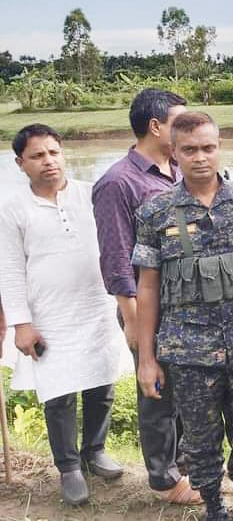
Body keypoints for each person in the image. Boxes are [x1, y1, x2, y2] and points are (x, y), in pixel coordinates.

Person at [133, 112, 233, 521]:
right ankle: (215, 510)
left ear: (219, 147)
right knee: (199, 442)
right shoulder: (155, 212)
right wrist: (147, 359)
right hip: (188, 351)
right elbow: (147, 288)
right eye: (190, 150)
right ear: (174, 152)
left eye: (208, 147)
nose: (201, 157)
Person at [0, 124, 127, 506]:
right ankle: (69, 467)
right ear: (21, 163)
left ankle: (95, 450)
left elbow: (118, 246)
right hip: (48, 313)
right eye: (37, 156)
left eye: (53, 152)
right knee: (59, 392)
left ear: (63, 153)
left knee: (101, 382)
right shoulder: (12, 209)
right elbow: (8, 269)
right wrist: (22, 323)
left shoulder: (93, 194)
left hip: (97, 304)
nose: (48, 161)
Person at [91, 88, 201, 505]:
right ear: (156, 126)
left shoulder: (177, 170)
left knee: (188, 388)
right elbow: (117, 260)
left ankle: (189, 467)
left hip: (187, 303)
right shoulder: (118, 183)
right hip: (148, 306)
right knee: (156, 390)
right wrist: (134, 321)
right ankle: (164, 480)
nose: (188, 130)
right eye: (180, 122)